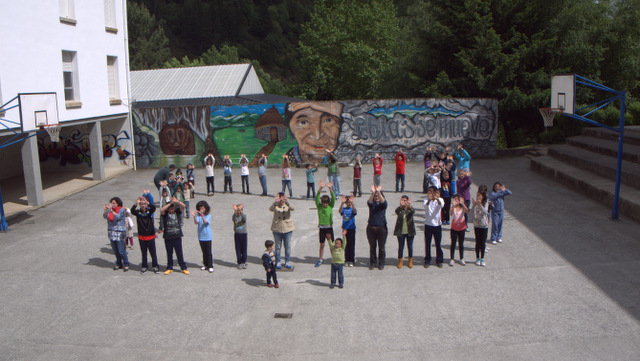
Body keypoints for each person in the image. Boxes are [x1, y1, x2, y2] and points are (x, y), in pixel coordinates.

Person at [131, 195, 159, 274]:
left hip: (150, 236)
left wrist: (147, 202)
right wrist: (136, 202)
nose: (143, 205)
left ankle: (155, 266)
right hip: (142, 236)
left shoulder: (149, 211)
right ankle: (144, 266)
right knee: (144, 253)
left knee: (153, 253)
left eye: (144, 204)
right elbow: (132, 211)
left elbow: (153, 208)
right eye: (141, 204)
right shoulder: (138, 212)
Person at [161, 196, 189, 275]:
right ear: (168, 209)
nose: (172, 209)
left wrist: (176, 202)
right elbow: (161, 210)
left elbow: (183, 206)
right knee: (169, 253)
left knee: (179, 253)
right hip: (168, 237)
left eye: (173, 208)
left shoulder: (177, 211)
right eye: (171, 208)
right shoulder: (165, 214)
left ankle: (183, 268)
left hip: (177, 236)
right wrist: (169, 203)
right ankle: (169, 267)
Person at [269, 192, 295, 269]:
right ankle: (278, 261)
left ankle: (287, 261)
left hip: (287, 228)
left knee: (287, 247)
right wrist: (275, 202)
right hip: (277, 228)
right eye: (280, 198)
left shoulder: (287, 204)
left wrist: (286, 201)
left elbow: (293, 208)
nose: (281, 200)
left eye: (282, 198)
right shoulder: (275, 205)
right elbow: (270, 209)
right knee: (278, 246)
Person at [103, 197, 129, 271]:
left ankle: (126, 263)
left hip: (119, 232)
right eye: (111, 203)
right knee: (115, 250)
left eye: (114, 203)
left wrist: (111, 210)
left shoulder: (121, 210)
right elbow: (105, 216)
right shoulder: (109, 211)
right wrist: (105, 211)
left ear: (118, 203)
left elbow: (117, 217)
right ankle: (118, 263)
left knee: (121, 250)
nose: (112, 204)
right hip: (112, 231)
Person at [314, 180, 336, 267]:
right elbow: (316, 197)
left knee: (331, 244)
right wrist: (320, 188)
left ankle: (334, 258)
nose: (325, 205)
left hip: (329, 228)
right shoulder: (319, 207)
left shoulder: (331, 206)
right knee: (322, 244)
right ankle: (320, 259)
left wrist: (330, 189)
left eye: (326, 203)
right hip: (322, 228)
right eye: (324, 203)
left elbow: (333, 198)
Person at [366, 184, 387, 270]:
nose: (377, 197)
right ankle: (373, 262)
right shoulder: (372, 204)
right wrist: (373, 193)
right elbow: (369, 201)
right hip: (371, 229)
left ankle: (381, 263)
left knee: (381, 248)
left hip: (382, 229)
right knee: (372, 247)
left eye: (378, 196)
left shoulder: (383, 204)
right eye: (375, 196)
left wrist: (378, 192)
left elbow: (383, 201)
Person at [424, 186, 445, 268]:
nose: (430, 193)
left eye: (432, 192)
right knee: (427, 243)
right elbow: (425, 206)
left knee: (438, 243)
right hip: (428, 225)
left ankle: (439, 260)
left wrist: (437, 198)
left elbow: (441, 205)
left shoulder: (440, 200)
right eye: (429, 191)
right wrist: (429, 199)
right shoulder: (426, 200)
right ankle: (427, 260)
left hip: (437, 225)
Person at [191, 200, 213, 273]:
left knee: (208, 252)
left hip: (207, 236)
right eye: (200, 208)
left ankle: (210, 266)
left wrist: (202, 216)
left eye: (203, 208)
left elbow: (205, 222)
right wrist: (194, 216)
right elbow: (196, 222)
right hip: (201, 236)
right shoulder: (198, 216)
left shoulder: (208, 216)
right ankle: (205, 264)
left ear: (206, 208)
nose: (201, 210)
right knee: (203, 251)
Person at [394, 195, 416, 268]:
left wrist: (409, 206)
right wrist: (400, 206)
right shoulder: (400, 210)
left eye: (405, 200)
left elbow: (413, 211)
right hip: (401, 231)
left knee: (410, 246)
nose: (404, 202)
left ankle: (410, 260)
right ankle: (400, 261)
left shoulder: (410, 209)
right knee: (400, 247)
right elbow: (396, 211)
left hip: (410, 231)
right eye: (402, 200)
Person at [449, 194, 469, 266]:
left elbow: (467, 211)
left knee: (461, 243)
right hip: (454, 228)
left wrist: (463, 204)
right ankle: (452, 258)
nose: (456, 200)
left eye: (458, 199)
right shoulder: (453, 207)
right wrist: (453, 205)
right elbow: (451, 214)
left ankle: (461, 258)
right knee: (453, 243)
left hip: (462, 228)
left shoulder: (462, 207)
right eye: (455, 199)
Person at [472, 190, 489, 266]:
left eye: (479, 196)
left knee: (483, 243)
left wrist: (480, 205)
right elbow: (472, 212)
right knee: (477, 242)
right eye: (477, 196)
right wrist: (474, 205)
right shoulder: (475, 204)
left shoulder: (485, 204)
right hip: (477, 225)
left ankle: (482, 258)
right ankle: (477, 258)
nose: (478, 197)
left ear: (483, 197)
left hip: (484, 225)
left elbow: (485, 212)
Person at [339, 194, 357, 267]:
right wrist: (342, 203)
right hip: (345, 229)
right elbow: (339, 211)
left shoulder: (352, 209)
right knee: (345, 245)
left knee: (351, 245)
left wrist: (353, 203)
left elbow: (355, 212)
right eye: (348, 202)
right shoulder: (344, 209)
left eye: (350, 202)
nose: (349, 203)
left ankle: (352, 260)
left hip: (352, 229)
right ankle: (347, 260)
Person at [232, 204, 248, 270]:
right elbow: (233, 218)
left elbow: (244, 219)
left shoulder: (243, 216)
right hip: (237, 234)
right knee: (238, 249)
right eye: (237, 211)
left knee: (244, 249)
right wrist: (235, 211)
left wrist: (241, 211)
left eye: (240, 210)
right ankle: (239, 262)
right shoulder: (235, 217)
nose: (238, 212)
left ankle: (244, 261)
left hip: (243, 234)